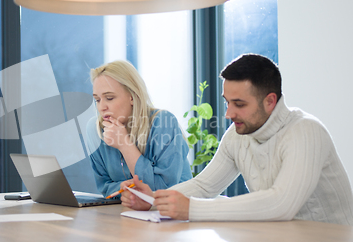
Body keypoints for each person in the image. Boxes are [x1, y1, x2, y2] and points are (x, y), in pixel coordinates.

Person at [121, 54, 353, 225]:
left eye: (239, 104)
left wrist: (192, 209)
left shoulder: (306, 132)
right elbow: (204, 185)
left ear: (270, 101)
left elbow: (282, 204)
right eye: (227, 102)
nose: (228, 114)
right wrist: (153, 200)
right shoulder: (236, 135)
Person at [86, 60, 192, 198]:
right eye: (97, 100)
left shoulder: (163, 122)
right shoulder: (96, 129)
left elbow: (162, 190)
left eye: (109, 98)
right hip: (129, 212)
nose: (102, 107)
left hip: (174, 214)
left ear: (132, 96)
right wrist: (122, 187)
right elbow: (104, 186)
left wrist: (125, 145)